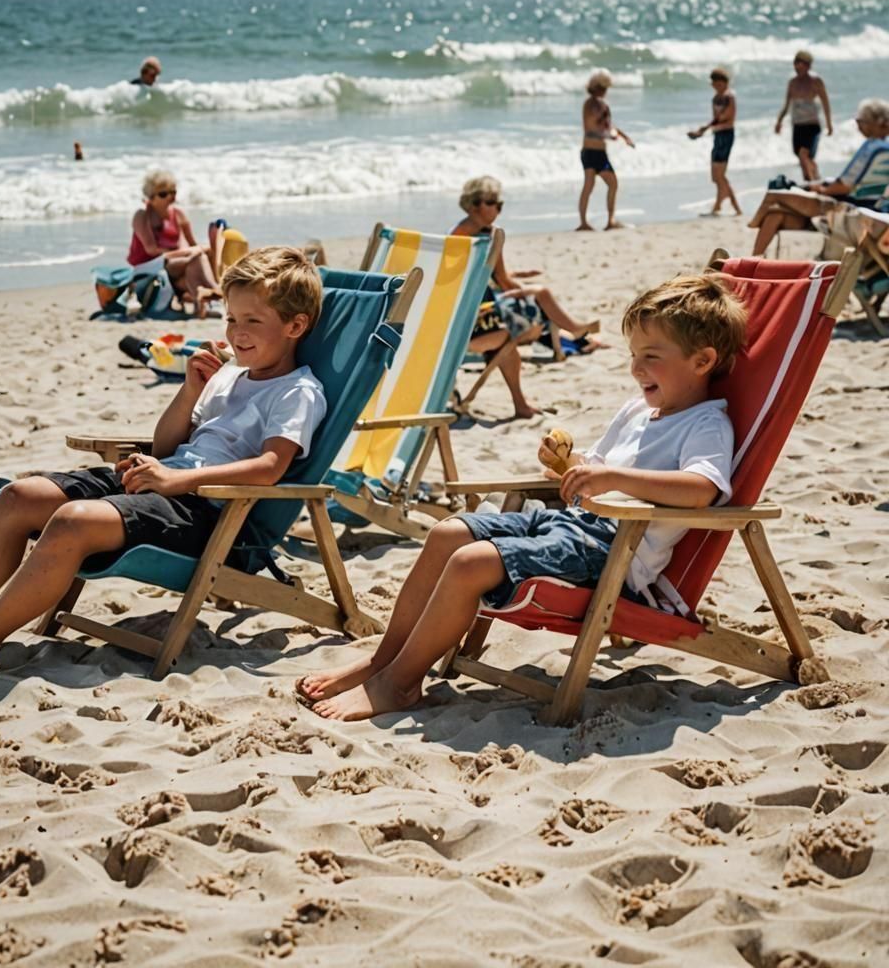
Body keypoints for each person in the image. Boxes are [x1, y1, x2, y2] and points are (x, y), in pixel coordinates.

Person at [0, 248, 327, 690]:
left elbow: (270, 468)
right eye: (230, 318)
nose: (236, 332)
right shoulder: (230, 373)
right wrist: (190, 391)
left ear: (295, 325)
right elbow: (169, 443)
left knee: (72, 522)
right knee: (19, 496)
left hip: (210, 512)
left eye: (252, 321)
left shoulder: (297, 392)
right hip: (164, 479)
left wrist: (175, 480)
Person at [299, 274, 745, 721]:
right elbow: (595, 466)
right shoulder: (637, 410)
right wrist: (567, 463)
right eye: (633, 355)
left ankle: (399, 684)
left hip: (613, 552)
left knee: (469, 564)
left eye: (651, 356)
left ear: (702, 360)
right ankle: (383, 662)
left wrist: (613, 478)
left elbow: (702, 489)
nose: (636, 368)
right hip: (570, 525)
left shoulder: (706, 425)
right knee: (447, 533)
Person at [453, 175, 603, 419]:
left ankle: (521, 404)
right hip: (474, 326)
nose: (497, 209)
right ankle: (574, 332)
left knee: (513, 333)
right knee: (539, 295)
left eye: (499, 204)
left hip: (458, 321)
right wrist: (524, 288)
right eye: (491, 203)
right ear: (473, 204)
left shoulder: (455, 236)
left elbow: (476, 278)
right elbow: (502, 281)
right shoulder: (488, 237)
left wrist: (518, 281)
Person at [749, 98, 889, 255]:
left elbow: (843, 186)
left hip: (850, 210)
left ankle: (752, 229)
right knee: (776, 214)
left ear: (873, 122)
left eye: (860, 121)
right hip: (870, 209)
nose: (858, 125)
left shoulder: (872, 147)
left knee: (775, 195)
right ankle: (754, 261)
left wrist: (817, 189)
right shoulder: (884, 149)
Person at [129, 169, 221, 318]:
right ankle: (215, 291)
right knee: (196, 256)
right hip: (148, 266)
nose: (170, 197)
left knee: (199, 257)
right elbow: (151, 249)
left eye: (173, 192)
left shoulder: (178, 214)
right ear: (151, 198)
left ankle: (201, 305)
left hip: (173, 263)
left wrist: (206, 248)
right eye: (163, 194)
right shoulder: (142, 215)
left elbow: (192, 244)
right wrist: (187, 252)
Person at [578, 70, 635, 231]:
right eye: (602, 87)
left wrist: (625, 137)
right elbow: (592, 126)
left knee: (612, 183)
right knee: (589, 186)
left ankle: (610, 220)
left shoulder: (602, 105)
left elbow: (609, 126)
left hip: (600, 153)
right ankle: (583, 222)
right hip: (589, 151)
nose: (605, 91)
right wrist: (608, 133)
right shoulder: (590, 104)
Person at [687, 67, 742, 216]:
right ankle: (720, 204)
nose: (714, 86)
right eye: (713, 83)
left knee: (720, 175)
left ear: (724, 82)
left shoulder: (730, 97)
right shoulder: (715, 98)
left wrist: (706, 128)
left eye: (717, 83)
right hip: (717, 135)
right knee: (715, 176)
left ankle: (733, 207)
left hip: (726, 135)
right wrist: (703, 130)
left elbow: (726, 117)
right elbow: (715, 119)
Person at [775, 51, 833, 182]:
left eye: (800, 65)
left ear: (808, 66)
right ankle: (813, 178)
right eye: (795, 64)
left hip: (812, 125)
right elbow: (787, 104)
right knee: (803, 158)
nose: (796, 68)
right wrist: (779, 121)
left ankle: (812, 184)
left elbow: (825, 102)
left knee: (803, 154)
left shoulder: (816, 81)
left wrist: (829, 124)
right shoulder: (792, 82)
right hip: (797, 125)